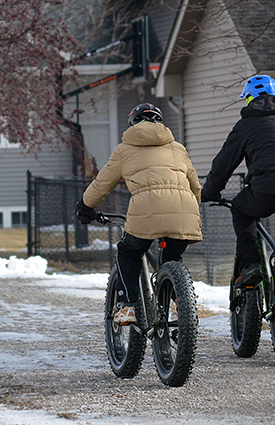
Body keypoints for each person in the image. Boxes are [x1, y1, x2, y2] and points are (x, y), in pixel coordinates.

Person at [75, 103, 202, 325]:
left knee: (128, 253)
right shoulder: (178, 148)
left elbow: (102, 183)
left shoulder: (124, 150)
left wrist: (85, 207)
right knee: (172, 257)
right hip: (184, 212)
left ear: (133, 124)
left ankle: (127, 305)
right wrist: (191, 211)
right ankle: (180, 296)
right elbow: (195, 186)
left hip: (145, 213)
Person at [200, 75, 275, 289]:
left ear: (250, 99)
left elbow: (223, 164)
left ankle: (252, 265)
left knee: (241, 209)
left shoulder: (246, 124)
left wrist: (209, 192)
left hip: (268, 190)